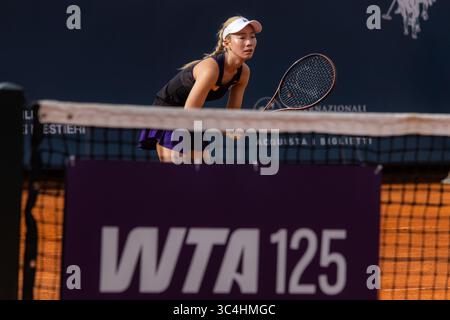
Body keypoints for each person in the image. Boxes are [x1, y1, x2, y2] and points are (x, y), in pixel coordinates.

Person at [138, 16, 262, 162]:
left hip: (191, 118)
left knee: (201, 173)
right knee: (174, 175)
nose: (249, 43)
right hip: (167, 114)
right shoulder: (211, 69)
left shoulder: (243, 73)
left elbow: (232, 114)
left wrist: (236, 127)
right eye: (242, 37)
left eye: (252, 37)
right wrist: (225, 130)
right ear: (226, 42)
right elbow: (190, 114)